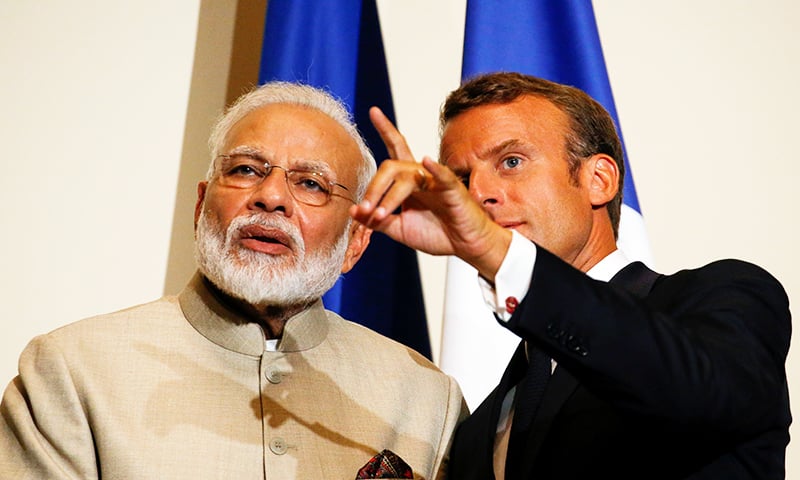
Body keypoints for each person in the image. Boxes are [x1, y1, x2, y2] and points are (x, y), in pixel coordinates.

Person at [0, 82, 466, 479]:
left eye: (311, 184)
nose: (271, 197)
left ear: (355, 242)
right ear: (201, 206)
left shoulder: (426, 397)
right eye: (246, 170)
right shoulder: (71, 370)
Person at [351, 72, 791, 479]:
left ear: (599, 179)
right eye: (462, 178)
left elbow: (693, 396)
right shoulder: (478, 428)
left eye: (511, 161)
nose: (479, 193)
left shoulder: (727, 297)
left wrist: (498, 254)